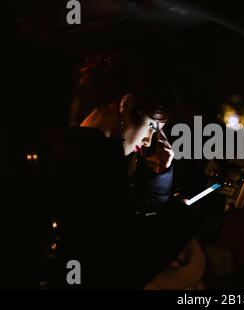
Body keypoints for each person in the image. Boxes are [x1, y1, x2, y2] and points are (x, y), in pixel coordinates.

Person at [47, 53, 204, 289]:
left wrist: (160, 175)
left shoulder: (68, 147)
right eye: (152, 127)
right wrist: (184, 214)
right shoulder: (95, 161)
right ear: (126, 105)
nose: (150, 139)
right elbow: (127, 265)